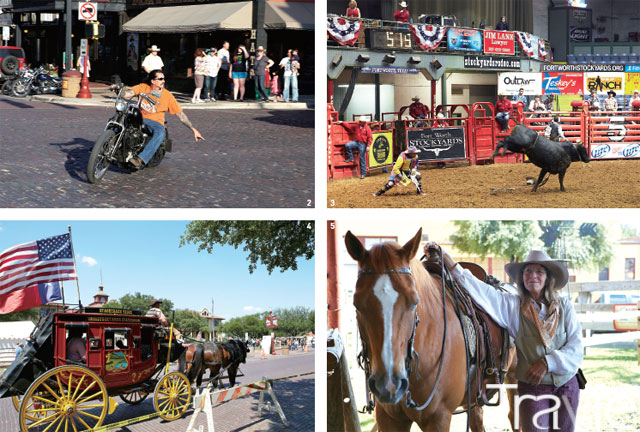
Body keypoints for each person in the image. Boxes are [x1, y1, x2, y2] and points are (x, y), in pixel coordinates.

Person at [425, 244, 583, 432]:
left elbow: (576, 347)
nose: (533, 275)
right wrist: (447, 260)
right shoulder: (512, 306)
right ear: (522, 278)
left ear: (547, 278)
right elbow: (478, 288)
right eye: (528, 271)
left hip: (567, 385)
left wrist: (548, 362)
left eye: (539, 272)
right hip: (534, 388)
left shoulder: (564, 306)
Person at [117, 70, 205, 168]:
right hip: (140, 118)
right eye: (160, 79)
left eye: (164, 79)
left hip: (155, 122)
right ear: (153, 81)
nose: (163, 81)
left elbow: (181, 115)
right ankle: (111, 145)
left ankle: (140, 159)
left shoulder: (168, 96)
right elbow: (128, 93)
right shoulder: (143, 87)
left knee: (161, 132)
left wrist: (193, 130)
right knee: (120, 116)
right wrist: (120, 90)